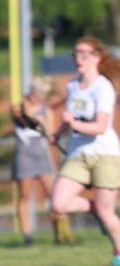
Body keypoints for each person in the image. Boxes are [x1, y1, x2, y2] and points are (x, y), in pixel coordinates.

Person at [50, 37, 120, 266]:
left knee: (108, 213)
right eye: (75, 53)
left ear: (97, 57)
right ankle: (96, 208)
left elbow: (100, 127)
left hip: (105, 154)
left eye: (84, 54)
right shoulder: (72, 86)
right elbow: (70, 119)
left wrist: (73, 125)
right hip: (78, 154)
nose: (79, 58)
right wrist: (58, 134)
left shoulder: (103, 87)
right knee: (59, 204)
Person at [9, 76, 74, 246]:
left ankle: (59, 234)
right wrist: (35, 115)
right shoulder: (18, 105)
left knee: (54, 196)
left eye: (41, 94)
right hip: (24, 154)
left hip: (42, 155)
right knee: (24, 195)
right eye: (35, 92)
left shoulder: (48, 111)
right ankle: (27, 237)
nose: (37, 97)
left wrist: (45, 124)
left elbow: (50, 132)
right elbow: (25, 118)